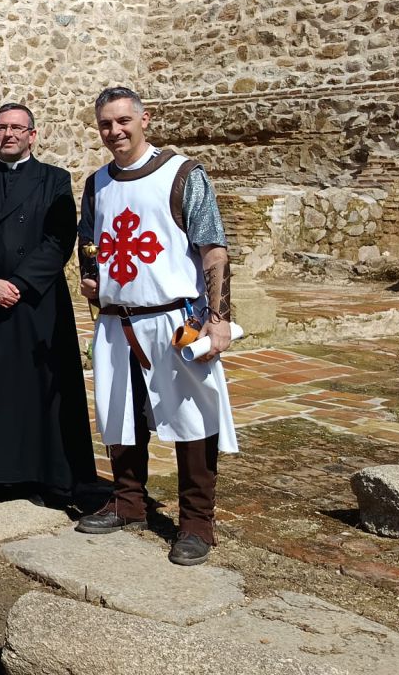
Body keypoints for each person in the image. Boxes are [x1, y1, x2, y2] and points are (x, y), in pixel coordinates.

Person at [75, 86, 237, 567]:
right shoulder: (97, 181)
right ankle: (128, 503)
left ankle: (196, 524)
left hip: (174, 320)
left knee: (193, 419)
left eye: (123, 121)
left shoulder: (183, 173)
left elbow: (214, 250)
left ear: (145, 119)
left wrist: (219, 318)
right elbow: (90, 242)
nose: (114, 131)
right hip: (116, 321)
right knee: (117, 413)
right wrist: (90, 277)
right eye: (105, 123)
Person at [0, 103, 96, 502]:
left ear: (33, 134)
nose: (8, 134)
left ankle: (43, 473)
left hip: (36, 302)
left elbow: (59, 239)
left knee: (41, 390)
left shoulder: (55, 179)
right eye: (1, 128)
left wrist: (21, 282)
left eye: (17, 128)